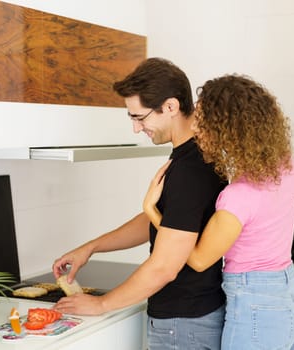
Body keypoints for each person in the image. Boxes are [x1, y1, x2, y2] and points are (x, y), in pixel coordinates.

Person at [52, 57, 227, 350]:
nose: (136, 129)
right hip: (191, 320)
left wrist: (101, 304)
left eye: (140, 117)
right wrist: (92, 247)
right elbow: (165, 220)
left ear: (170, 107)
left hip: (183, 326)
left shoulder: (189, 171)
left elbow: (164, 268)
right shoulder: (192, 156)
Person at [144, 74, 294, 349]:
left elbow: (198, 259)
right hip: (291, 299)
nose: (195, 126)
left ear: (227, 130)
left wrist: (151, 209)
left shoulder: (237, 198)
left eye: (203, 120)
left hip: (256, 309)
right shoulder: (285, 166)